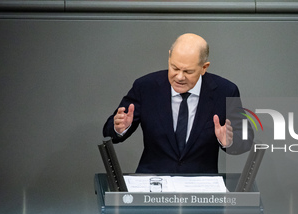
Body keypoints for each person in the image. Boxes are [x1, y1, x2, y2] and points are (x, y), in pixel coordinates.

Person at [103, 33, 253, 174]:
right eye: (174, 68)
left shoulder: (225, 91)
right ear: (169, 57)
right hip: (152, 185)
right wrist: (119, 127)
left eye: (188, 72)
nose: (179, 77)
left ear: (204, 67)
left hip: (201, 189)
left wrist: (229, 141)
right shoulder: (146, 87)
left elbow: (246, 139)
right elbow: (109, 130)